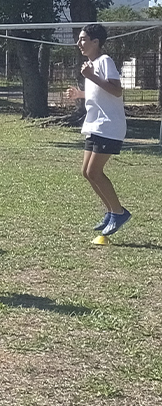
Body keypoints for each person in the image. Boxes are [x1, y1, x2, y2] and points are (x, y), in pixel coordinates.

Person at [65, 24, 130, 244]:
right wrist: (80, 94)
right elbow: (100, 93)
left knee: (94, 171)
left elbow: (116, 90)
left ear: (96, 42)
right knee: (87, 172)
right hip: (94, 125)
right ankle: (112, 211)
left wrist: (91, 76)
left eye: (83, 39)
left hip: (109, 126)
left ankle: (119, 212)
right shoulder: (91, 66)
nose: (79, 43)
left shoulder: (105, 61)